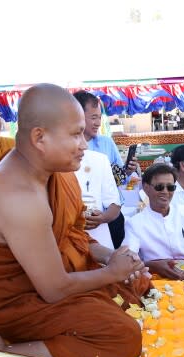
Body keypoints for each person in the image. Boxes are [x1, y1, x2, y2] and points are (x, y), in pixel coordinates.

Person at [0, 84, 151, 357]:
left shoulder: (51, 173)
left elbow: (73, 235)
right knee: (123, 339)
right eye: (75, 134)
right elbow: (54, 289)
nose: (84, 144)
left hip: (44, 279)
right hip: (17, 302)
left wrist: (112, 257)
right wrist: (110, 273)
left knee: (136, 287)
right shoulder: (18, 197)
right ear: (39, 137)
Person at [73, 91, 139, 248]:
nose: (98, 123)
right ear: (78, 116)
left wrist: (127, 172)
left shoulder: (106, 143)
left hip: (110, 215)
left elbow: (118, 179)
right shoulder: (62, 151)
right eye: (93, 117)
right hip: (79, 220)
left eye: (99, 117)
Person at [124, 163, 184, 281]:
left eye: (170, 187)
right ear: (146, 188)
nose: (165, 192)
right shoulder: (134, 224)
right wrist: (154, 265)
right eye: (159, 187)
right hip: (156, 281)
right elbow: (128, 259)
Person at [75, 147, 121, 249]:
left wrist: (102, 218)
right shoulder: (46, 162)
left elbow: (115, 204)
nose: (83, 143)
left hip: (98, 239)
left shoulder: (99, 160)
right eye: (76, 134)